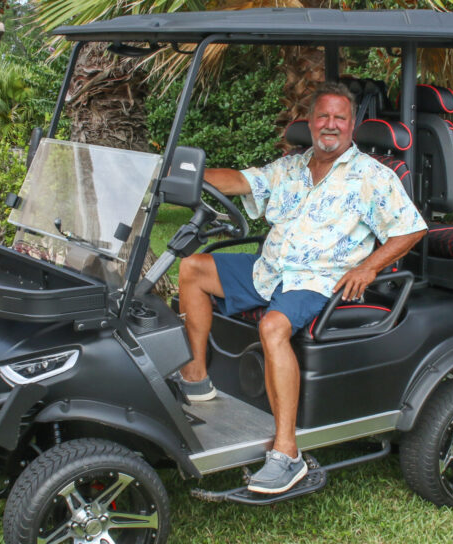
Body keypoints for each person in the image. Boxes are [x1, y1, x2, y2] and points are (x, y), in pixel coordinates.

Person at [175, 82, 427, 494]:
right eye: (322, 116)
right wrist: (186, 176)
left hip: (318, 279)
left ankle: (287, 453)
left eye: (339, 118)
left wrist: (368, 266)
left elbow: (410, 230)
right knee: (193, 268)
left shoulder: (372, 177)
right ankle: (197, 378)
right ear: (309, 122)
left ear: (352, 124)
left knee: (274, 326)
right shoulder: (292, 166)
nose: (330, 125)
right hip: (271, 269)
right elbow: (239, 181)